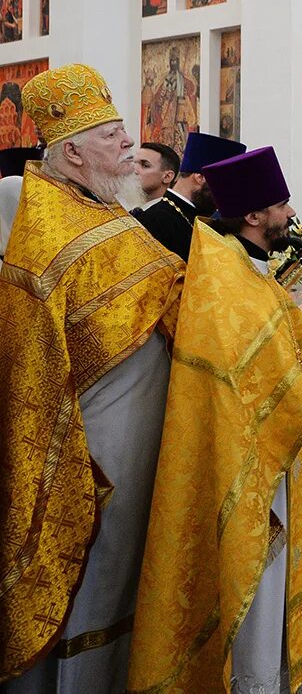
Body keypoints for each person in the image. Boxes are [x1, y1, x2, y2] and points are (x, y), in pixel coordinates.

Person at [128, 146, 302, 694]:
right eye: (282, 205)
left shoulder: (253, 271)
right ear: (253, 216)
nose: (291, 215)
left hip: (274, 447)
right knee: (251, 570)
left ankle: (267, 672)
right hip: (247, 451)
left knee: (272, 574)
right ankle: (249, 680)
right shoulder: (225, 277)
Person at [0, 64, 184, 691]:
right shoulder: (40, 215)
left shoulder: (98, 208)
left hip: (130, 434)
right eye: (113, 135)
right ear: (73, 151)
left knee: (118, 575)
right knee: (88, 569)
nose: (131, 143)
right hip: (85, 440)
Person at [132, 132, 245, 261]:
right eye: (225, 184)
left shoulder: (203, 220)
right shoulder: (154, 220)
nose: (228, 193)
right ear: (200, 178)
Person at [131, 141, 179, 206]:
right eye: (133, 164)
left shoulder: (167, 214)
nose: (134, 170)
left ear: (167, 177)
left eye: (145, 165)